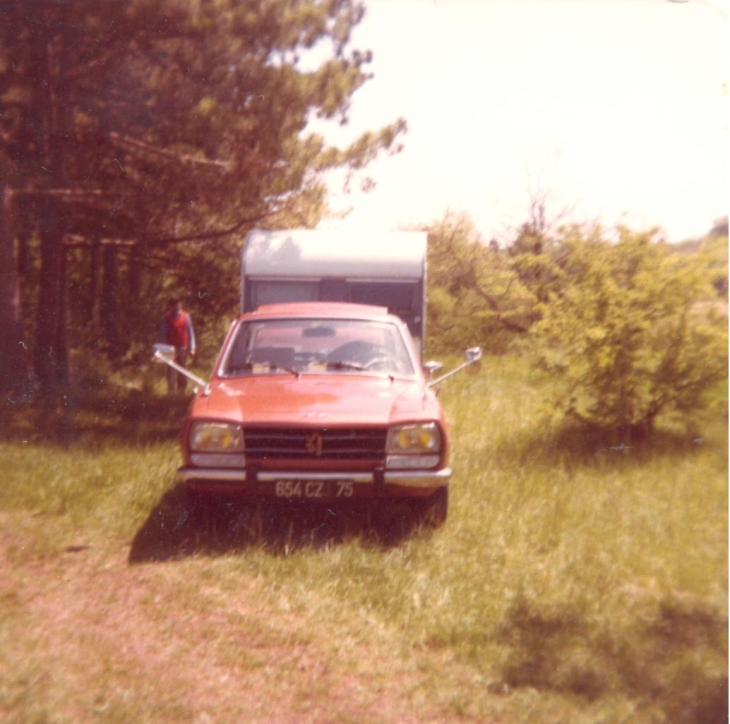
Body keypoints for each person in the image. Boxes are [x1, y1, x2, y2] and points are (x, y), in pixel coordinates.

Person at [159, 296, 196, 394]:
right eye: (174, 303)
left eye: (178, 303)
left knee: (183, 370)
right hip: (171, 348)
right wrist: (163, 349)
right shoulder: (166, 317)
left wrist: (192, 347)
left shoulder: (186, 316)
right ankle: (171, 394)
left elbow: (190, 331)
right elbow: (162, 334)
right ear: (171, 305)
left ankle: (182, 391)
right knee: (171, 371)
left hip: (183, 347)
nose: (177, 305)